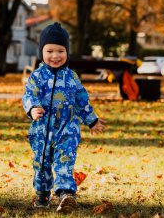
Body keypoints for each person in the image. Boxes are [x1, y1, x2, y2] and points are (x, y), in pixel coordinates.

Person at [22, 22, 105, 213]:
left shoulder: (72, 77)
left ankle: (66, 193)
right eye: (50, 51)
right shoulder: (37, 77)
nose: (55, 56)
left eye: (60, 50)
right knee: (41, 162)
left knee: (64, 159)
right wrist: (32, 108)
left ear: (67, 52)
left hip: (67, 128)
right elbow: (29, 94)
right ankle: (42, 194)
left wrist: (91, 120)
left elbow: (81, 99)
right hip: (42, 130)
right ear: (42, 52)